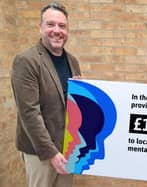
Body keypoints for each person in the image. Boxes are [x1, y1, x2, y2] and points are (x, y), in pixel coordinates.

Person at [11, 2, 81, 187]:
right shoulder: (27, 61)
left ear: (67, 30)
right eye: (51, 24)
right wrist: (51, 153)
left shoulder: (72, 61)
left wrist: (83, 94)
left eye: (62, 26)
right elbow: (30, 114)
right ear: (40, 27)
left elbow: (72, 107)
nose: (57, 30)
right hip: (40, 153)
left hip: (67, 149)